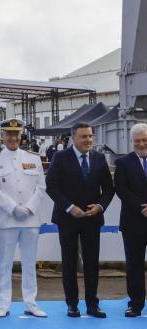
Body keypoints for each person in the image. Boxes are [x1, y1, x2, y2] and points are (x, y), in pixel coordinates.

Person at [46, 122, 114, 318]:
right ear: (73, 138)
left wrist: (100, 206)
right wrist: (69, 207)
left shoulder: (99, 158)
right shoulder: (60, 158)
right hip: (67, 219)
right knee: (69, 262)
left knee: (92, 263)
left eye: (90, 136)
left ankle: (92, 304)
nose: (88, 140)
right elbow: (51, 186)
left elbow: (109, 189)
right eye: (84, 137)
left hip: (92, 219)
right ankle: (72, 304)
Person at [0, 118, 48, 318]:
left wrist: (28, 208)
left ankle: (31, 302)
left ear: (21, 136)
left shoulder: (33, 158)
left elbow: (41, 187)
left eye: (16, 134)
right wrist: (14, 208)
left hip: (30, 219)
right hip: (6, 219)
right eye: (9, 134)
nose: (13, 137)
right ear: (2, 136)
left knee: (29, 263)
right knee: (4, 263)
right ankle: (3, 303)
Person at [114, 123, 147, 317]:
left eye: (144, 140)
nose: (142, 144)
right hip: (133, 222)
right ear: (132, 141)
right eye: (138, 141)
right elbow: (122, 190)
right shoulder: (123, 163)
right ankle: (135, 304)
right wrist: (142, 208)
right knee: (134, 264)